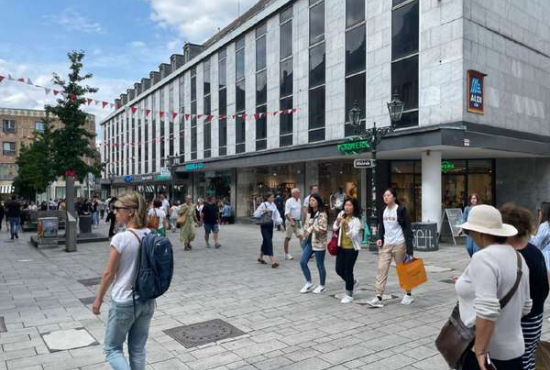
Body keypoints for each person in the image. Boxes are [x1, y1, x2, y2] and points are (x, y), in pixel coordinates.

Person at [457, 204, 532, 370]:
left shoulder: (483, 258)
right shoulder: (519, 258)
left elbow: (487, 310)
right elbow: (526, 307)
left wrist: (480, 350)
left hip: (487, 353)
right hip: (515, 350)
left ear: (480, 233)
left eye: (470, 232)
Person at [92, 192, 155, 370]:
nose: (114, 212)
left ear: (131, 212)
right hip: (147, 300)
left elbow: (109, 273)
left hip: (124, 301)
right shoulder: (150, 234)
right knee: (138, 348)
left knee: (112, 349)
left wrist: (98, 299)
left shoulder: (121, 238)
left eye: (117, 209)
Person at [500, 204, 549, 370]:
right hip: (536, 318)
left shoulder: (514, 256)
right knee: (527, 359)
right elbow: (543, 288)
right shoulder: (535, 251)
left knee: (516, 362)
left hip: (520, 320)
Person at [367, 188, 415, 308]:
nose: (385, 197)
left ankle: (408, 294)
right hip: (386, 245)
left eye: (388, 195)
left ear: (394, 197)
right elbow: (381, 226)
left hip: (399, 244)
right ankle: (378, 296)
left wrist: (410, 251)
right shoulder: (383, 210)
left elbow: (407, 229)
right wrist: (380, 238)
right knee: (381, 269)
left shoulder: (400, 210)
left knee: (402, 270)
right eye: (384, 195)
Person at [333, 197, 363, 303]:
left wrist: (346, 225)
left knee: (348, 271)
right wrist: (337, 222)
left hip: (352, 248)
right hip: (341, 247)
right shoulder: (341, 214)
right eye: (346, 205)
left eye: (350, 205)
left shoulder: (357, 220)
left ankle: (349, 294)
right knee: (338, 269)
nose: (347, 207)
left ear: (354, 207)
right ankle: (353, 283)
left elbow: (354, 235)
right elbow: (334, 228)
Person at [299, 194, 328, 294]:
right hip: (309, 242)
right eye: (310, 200)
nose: (311, 202)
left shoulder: (322, 214)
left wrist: (311, 229)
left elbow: (323, 229)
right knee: (303, 262)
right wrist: (304, 233)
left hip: (319, 243)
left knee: (320, 265)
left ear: (318, 202)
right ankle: (309, 282)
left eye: (313, 200)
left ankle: (322, 285)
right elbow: (306, 226)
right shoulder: (309, 214)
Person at [254, 192, 282, 268]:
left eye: (273, 197)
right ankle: (273, 261)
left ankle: (260, 257)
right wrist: (263, 211)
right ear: (268, 198)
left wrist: (280, 223)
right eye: (272, 197)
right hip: (264, 226)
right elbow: (255, 214)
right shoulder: (263, 205)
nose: (273, 198)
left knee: (265, 241)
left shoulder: (274, 205)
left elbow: (276, 215)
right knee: (269, 241)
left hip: (271, 225)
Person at [283, 188, 304, 260]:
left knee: (301, 235)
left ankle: (305, 252)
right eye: (297, 193)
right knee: (288, 237)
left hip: (298, 221)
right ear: (293, 194)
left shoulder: (299, 200)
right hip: (290, 221)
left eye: (299, 192)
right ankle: (286, 254)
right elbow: (287, 213)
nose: (299, 194)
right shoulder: (289, 201)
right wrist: (291, 220)